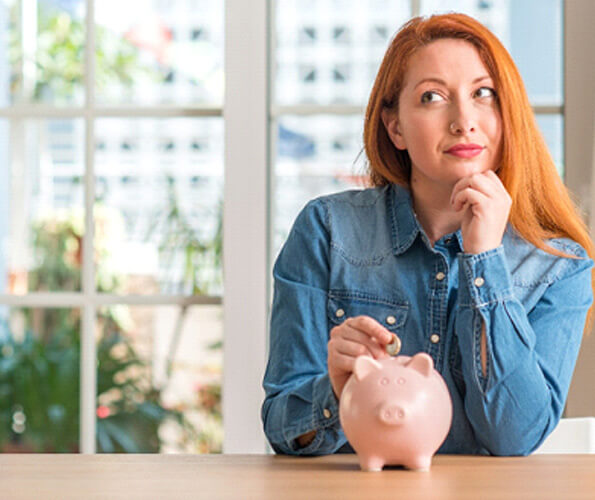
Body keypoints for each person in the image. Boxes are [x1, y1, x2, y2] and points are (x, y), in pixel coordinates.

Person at [261, 13, 594, 457]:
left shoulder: (558, 265)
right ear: (394, 127)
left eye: (483, 94)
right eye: (433, 97)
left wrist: (484, 261)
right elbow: (283, 428)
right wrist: (336, 392)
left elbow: (514, 438)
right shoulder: (326, 230)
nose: (464, 121)